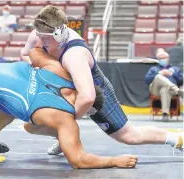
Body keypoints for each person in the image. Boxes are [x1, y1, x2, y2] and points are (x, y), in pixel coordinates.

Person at [0, 49, 137, 169]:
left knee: (20, 108)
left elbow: (33, 51)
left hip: (7, 74)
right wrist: (115, 160)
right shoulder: (65, 120)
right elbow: (79, 160)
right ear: (88, 108)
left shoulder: (61, 71)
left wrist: (35, 70)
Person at [20, 5, 184, 155]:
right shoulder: (40, 33)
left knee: (128, 135)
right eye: (39, 36)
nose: (41, 41)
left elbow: (88, 97)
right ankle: (62, 137)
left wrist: (65, 122)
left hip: (95, 91)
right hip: (65, 85)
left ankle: (177, 139)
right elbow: (25, 53)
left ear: (59, 34)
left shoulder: (74, 55)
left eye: (45, 38)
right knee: (32, 126)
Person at [145, 50, 183, 121]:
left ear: (168, 58)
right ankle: (178, 91)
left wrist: (172, 74)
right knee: (158, 76)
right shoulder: (154, 69)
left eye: (164, 58)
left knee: (165, 90)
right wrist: (160, 73)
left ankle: (165, 114)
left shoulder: (175, 69)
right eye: (160, 58)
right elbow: (147, 80)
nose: (162, 60)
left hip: (169, 91)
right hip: (156, 90)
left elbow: (181, 80)